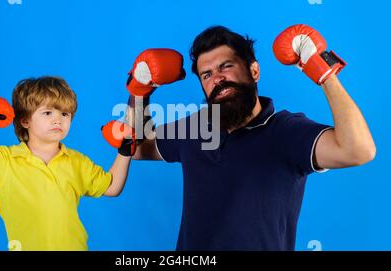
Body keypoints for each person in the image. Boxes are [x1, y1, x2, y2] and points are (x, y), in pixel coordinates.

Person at [116, 25, 376, 250]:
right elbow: (134, 147)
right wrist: (139, 91)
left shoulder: (286, 130)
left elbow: (358, 150)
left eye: (226, 66)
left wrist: (322, 70)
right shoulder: (194, 128)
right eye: (207, 75)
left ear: (254, 71)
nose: (217, 78)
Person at [0, 76, 133, 251]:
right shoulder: (6, 160)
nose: (58, 120)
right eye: (48, 112)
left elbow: (112, 187)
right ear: (25, 120)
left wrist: (125, 150)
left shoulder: (76, 161)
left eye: (65, 114)